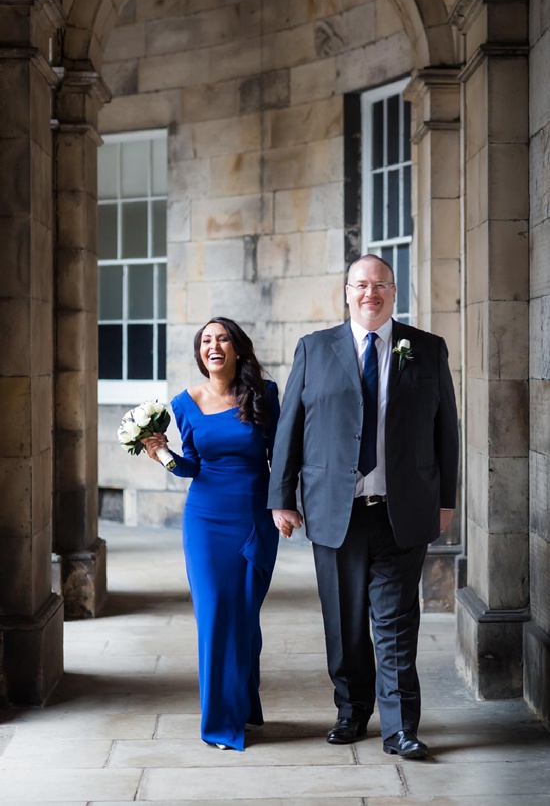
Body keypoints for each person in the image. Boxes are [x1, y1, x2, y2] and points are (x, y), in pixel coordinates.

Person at [268, 254, 459, 759]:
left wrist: (446, 501)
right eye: (360, 285)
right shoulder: (314, 349)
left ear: (394, 292)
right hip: (337, 511)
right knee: (345, 623)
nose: (369, 293)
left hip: (403, 512)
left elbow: (446, 433)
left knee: (396, 624)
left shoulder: (426, 349)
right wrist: (281, 499)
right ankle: (352, 712)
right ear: (346, 292)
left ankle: (400, 728)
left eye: (380, 285)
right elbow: (289, 428)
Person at [143, 317, 280, 752]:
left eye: (222, 338)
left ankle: (245, 707)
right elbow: (193, 466)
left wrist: (286, 506)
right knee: (216, 618)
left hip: (255, 518)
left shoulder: (264, 394)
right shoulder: (184, 403)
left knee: (245, 618)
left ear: (237, 349)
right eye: (206, 340)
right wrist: (162, 453)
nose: (213, 345)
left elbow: (282, 455)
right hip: (204, 522)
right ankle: (220, 724)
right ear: (200, 353)